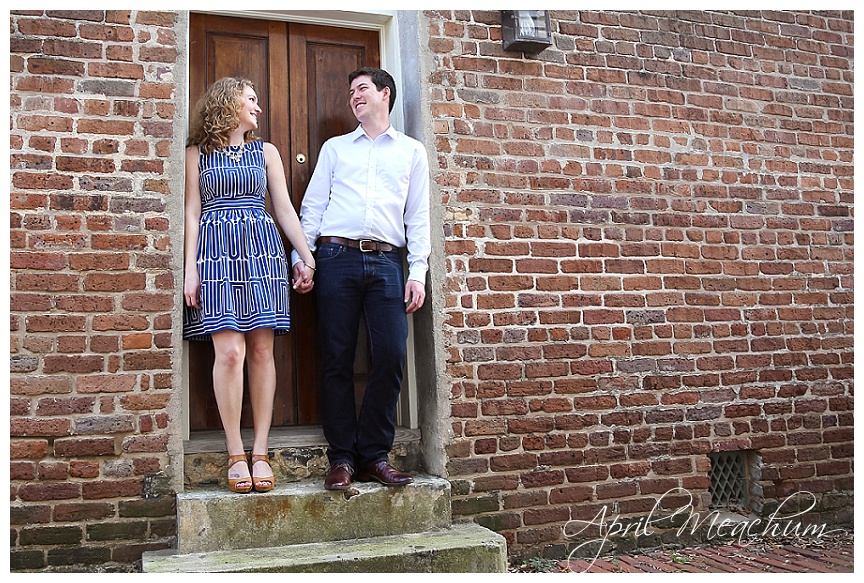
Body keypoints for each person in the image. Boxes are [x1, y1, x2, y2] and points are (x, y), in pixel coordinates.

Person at [292, 67, 431, 490]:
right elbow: (312, 208)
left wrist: (418, 272)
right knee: (336, 357)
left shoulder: (412, 152)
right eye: (350, 91)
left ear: (384, 94)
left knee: (390, 354)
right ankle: (342, 458)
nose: (354, 96)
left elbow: (418, 217)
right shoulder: (336, 149)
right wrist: (305, 258)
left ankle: (374, 454)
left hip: (389, 262)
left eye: (362, 89)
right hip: (336, 257)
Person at [183, 77, 316, 493]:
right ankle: (234, 452)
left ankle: (260, 451)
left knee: (261, 350)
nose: (258, 107)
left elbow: (284, 209)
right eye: (252, 100)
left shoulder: (267, 153)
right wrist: (190, 270)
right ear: (228, 103)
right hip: (215, 253)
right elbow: (190, 213)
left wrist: (305, 256)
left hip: (262, 251)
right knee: (229, 352)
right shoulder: (195, 155)